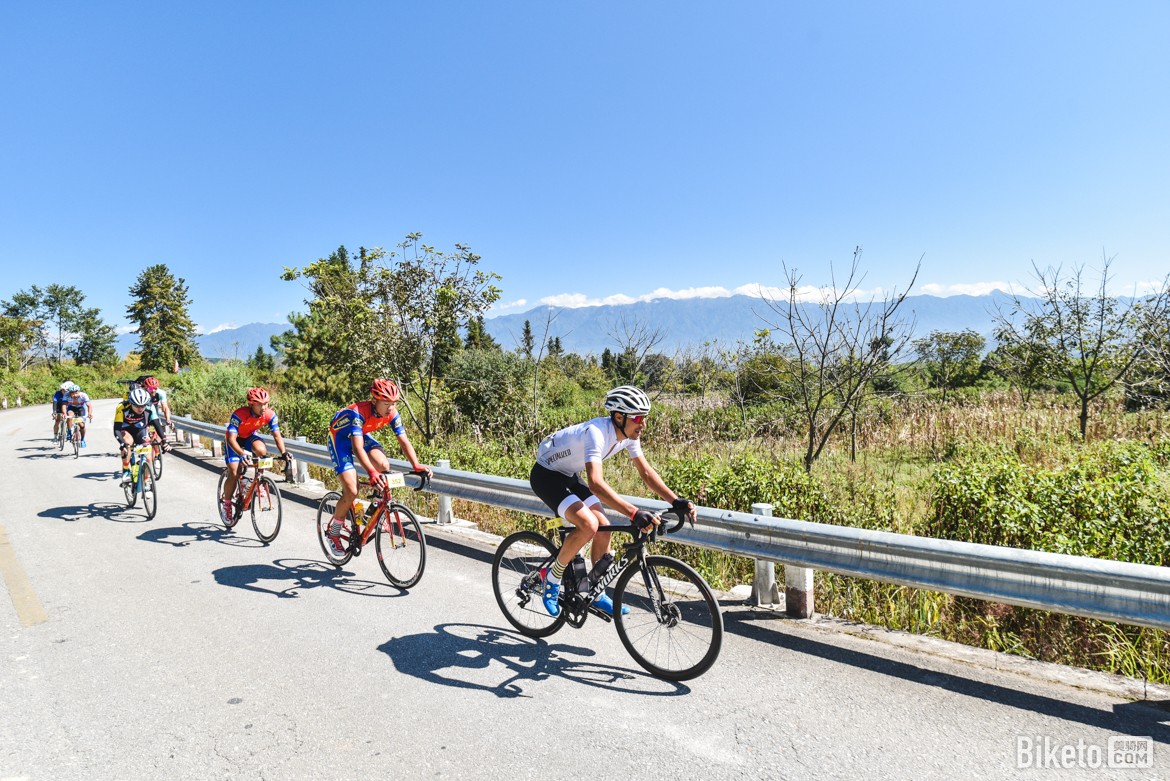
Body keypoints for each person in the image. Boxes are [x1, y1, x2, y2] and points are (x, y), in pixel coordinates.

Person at [530, 385, 695, 617]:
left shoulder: (628, 435)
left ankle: (596, 593)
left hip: (568, 475)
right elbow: (596, 483)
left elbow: (646, 473)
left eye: (645, 418)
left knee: (603, 527)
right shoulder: (596, 432)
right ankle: (553, 578)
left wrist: (675, 500)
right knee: (588, 524)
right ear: (619, 417)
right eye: (638, 418)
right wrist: (634, 513)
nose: (643, 424)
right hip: (546, 476)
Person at [323, 379, 432, 558]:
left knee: (383, 465)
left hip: (362, 435)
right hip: (340, 440)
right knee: (352, 489)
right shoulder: (357, 413)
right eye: (386, 403)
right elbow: (357, 448)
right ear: (374, 401)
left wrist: (416, 465)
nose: (390, 408)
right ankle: (334, 532)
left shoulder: (392, 413)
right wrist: (371, 473)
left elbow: (403, 441)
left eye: (393, 403)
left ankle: (375, 508)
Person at [219, 387, 294, 521]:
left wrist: (283, 452)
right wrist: (241, 454)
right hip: (234, 440)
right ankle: (227, 504)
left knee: (261, 450)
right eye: (259, 404)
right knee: (234, 473)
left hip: (249, 437)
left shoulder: (270, 415)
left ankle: (257, 480)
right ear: (251, 405)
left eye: (266, 403)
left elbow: (277, 436)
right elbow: (231, 439)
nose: (264, 407)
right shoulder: (239, 415)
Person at [114, 387, 170, 483]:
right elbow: (117, 429)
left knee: (148, 457)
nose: (140, 408)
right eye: (137, 406)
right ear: (131, 403)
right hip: (125, 430)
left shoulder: (150, 407)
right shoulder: (122, 407)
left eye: (143, 406)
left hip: (140, 430)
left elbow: (157, 424)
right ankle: (126, 470)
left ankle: (146, 482)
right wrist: (121, 443)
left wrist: (164, 441)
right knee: (128, 443)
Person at [63, 383, 94, 447]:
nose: (74, 395)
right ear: (70, 393)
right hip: (71, 408)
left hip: (81, 408)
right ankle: (69, 432)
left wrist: (90, 414)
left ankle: (82, 440)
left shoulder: (83, 395)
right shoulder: (66, 395)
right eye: (72, 393)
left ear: (79, 392)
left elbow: (89, 405)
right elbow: (64, 405)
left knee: (81, 425)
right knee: (70, 415)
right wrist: (64, 413)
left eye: (76, 393)